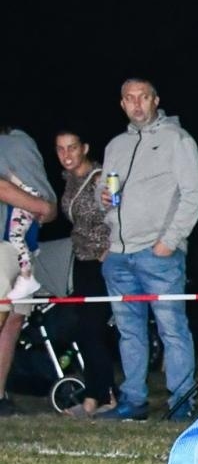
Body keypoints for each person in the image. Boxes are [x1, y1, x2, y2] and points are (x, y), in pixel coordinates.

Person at [96, 80, 198, 421]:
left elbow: (193, 194)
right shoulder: (115, 145)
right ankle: (133, 400)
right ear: (122, 104)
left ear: (156, 100)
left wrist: (168, 242)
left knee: (172, 329)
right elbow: (106, 191)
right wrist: (104, 204)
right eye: (130, 98)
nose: (137, 104)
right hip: (118, 255)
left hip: (158, 255)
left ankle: (181, 401)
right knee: (129, 331)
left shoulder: (177, 139)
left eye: (143, 97)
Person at [53, 130, 118, 416]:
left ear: (85, 148)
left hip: (102, 261)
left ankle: (99, 397)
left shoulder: (99, 178)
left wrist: (110, 251)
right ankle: (101, 393)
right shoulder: (69, 180)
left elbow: (116, 212)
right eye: (60, 149)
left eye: (72, 148)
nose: (66, 154)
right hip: (82, 260)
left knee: (92, 328)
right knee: (86, 329)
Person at [0, 128, 58, 417]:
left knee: (12, 324)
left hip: (28, 250)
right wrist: (40, 205)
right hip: (1, 247)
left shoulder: (20, 141)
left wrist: (46, 208)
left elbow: (49, 205)